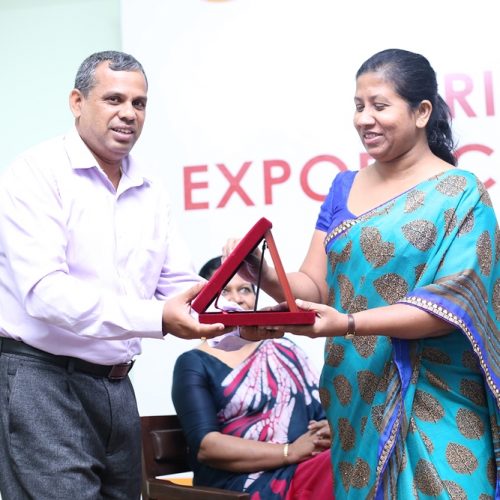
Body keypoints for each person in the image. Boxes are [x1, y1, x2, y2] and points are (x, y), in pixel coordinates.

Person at [224, 49, 500, 498]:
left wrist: (349, 323)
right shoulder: (343, 188)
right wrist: (265, 274)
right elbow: (315, 286)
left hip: (441, 398)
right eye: (358, 106)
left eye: (379, 105)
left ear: (421, 112)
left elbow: (454, 302)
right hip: (357, 393)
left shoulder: (461, 193)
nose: (364, 119)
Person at [0, 51, 226, 500]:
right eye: (114, 99)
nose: (129, 113)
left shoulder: (150, 188)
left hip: (117, 385)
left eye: (139, 103)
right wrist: (157, 317)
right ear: (77, 102)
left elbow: (178, 286)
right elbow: (45, 293)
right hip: (42, 379)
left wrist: (241, 317)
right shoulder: (35, 173)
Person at [171, 259, 334, 499]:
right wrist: (290, 451)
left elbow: (321, 415)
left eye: (245, 289)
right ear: (203, 302)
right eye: (224, 291)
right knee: (338, 466)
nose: (237, 298)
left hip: (306, 467)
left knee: (355, 457)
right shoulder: (194, 363)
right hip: (242, 484)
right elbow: (207, 447)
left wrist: (330, 429)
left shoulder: (284, 349)